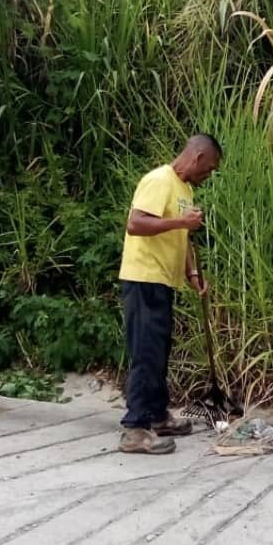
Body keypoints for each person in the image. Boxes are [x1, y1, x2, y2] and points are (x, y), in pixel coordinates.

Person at [117, 134, 222, 454]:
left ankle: (158, 415)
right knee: (146, 352)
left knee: (160, 351)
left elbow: (183, 236)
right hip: (143, 277)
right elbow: (135, 223)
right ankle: (135, 430)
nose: (209, 174)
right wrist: (181, 220)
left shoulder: (185, 190)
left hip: (164, 280)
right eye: (210, 167)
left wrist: (191, 273)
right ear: (197, 156)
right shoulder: (158, 180)